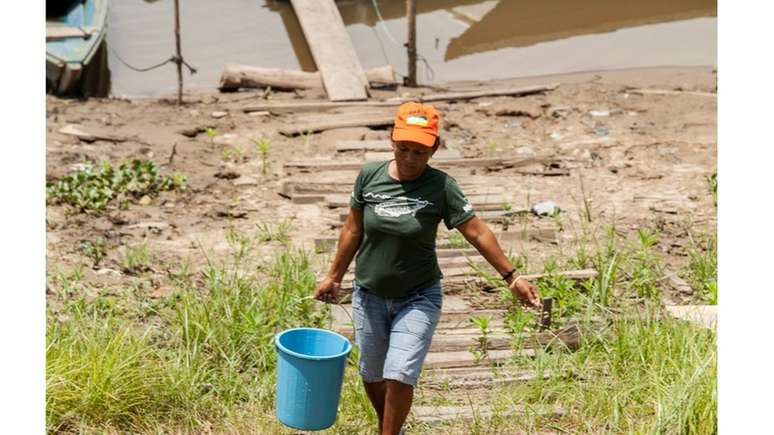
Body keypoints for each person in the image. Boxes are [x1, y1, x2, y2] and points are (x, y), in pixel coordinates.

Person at [313, 101, 541, 435]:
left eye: (419, 151)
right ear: (392, 140)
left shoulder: (441, 187)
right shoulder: (369, 176)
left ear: (433, 148)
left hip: (418, 296)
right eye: (403, 148)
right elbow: (352, 229)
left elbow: (476, 230)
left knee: (400, 372)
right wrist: (333, 275)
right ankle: (391, 428)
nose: (409, 158)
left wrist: (512, 276)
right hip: (369, 294)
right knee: (372, 373)